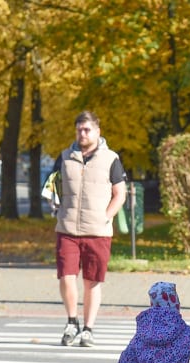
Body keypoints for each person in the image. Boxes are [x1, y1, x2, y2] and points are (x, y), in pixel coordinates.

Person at [52, 110, 127, 347]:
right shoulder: (64, 157)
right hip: (68, 229)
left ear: (97, 131)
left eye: (87, 130)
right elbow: (52, 186)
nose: (82, 134)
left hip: (97, 231)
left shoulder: (111, 159)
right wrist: (55, 206)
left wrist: (106, 216)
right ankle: (71, 322)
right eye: (79, 130)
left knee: (92, 281)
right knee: (66, 276)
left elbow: (120, 194)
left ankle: (88, 329)